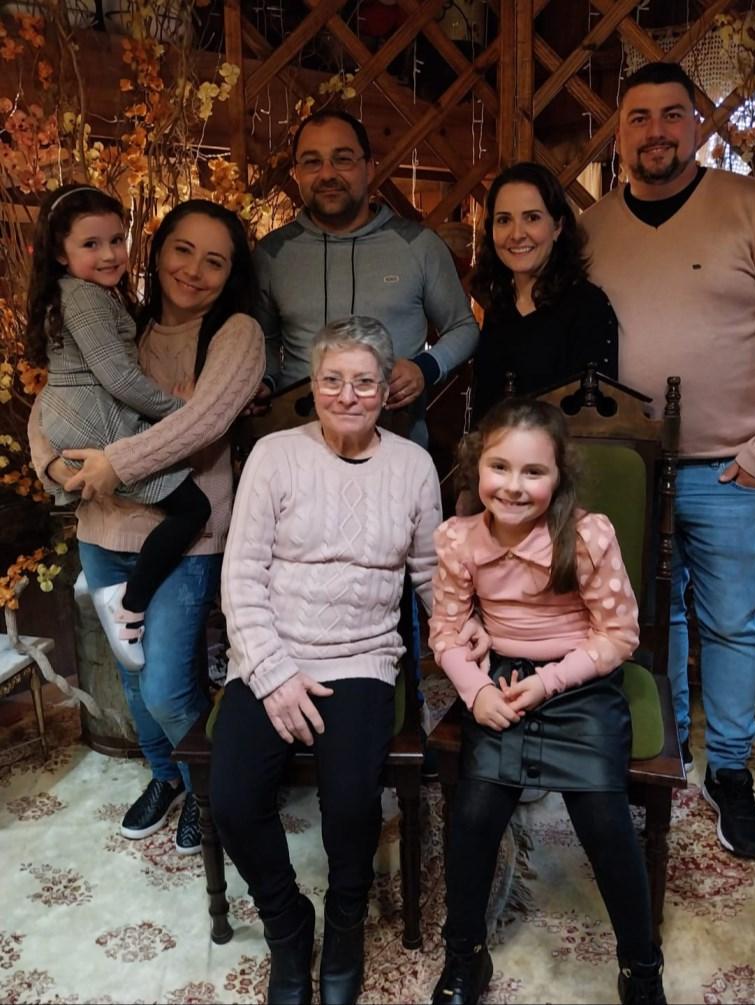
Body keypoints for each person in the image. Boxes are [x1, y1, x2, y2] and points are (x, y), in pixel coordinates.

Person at [582, 61, 755, 860]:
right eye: (638, 117)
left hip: (729, 468)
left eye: (672, 114)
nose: (655, 131)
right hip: (629, 466)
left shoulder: (753, 208)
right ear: (619, 134)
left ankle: (728, 768)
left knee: (730, 621)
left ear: (698, 125)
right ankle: (668, 749)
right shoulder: (593, 227)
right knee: (652, 618)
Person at [210, 317, 487, 1005]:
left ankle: (343, 922)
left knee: (351, 806)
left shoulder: (413, 465)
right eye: (332, 380)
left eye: (364, 382)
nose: (348, 395)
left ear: (386, 390)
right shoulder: (274, 454)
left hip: (363, 656)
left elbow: (428, 574)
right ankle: (287, 924)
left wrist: (464, 630)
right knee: (234, 801)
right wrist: (272, 672)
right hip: (271, 650)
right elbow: (240, 575)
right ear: (313, 384)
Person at [27, 199, 265, 855]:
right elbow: (58, 394)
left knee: (167, 686)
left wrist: (116, 462)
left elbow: (202, 423)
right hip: (104, 530)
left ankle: (206, 792)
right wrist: (47, 460)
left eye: (214, 260)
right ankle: (166, 777)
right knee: (133, 679)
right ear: (157, 251)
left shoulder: (236, 333)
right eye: (182, 249)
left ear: (232, 273)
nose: (193, 270)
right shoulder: (116, 315)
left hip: (185, 538)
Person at [428, 398, 666, 1005]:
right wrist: (477, 690)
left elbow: (619, 635)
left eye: (533, 471)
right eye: (499, 467)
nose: (513, 486)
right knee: (474, 816)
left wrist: (550, 681)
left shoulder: (585, 536)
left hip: (579, 680)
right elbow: (446, 632)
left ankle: (641, 968)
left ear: (559, 477)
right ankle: (465, 956)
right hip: (501, 682)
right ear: (476, 467)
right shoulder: (457, 539)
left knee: (605, 821)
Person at [24, 183, 211, 672]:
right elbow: (120, 379)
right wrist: (178, 411)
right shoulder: (85, 298)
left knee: (174, 506)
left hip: (78, 415)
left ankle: (101, 578)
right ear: (60, 253)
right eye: (91, 244)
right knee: (193, 509)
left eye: (116, 240)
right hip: (97, 421)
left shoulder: (77, 293)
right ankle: (127, 604)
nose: (109, 254)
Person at [252, 109, 479, 445]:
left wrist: (426, 367)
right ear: (296, 173)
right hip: (298, 445)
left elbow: (463, 327)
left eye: (342, 159)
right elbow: (265, 339)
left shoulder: (419, 245)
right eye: (312, 162)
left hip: (395, 444)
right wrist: (268, 381)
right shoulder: (273, 254)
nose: (327, 174)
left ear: (369, 167)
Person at [470, 161, 618, 423]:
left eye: (532, 218)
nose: (517, 234)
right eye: (504, 220)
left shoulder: (588, 307)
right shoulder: (500, 308)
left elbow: (594, 423)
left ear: (558, 226)